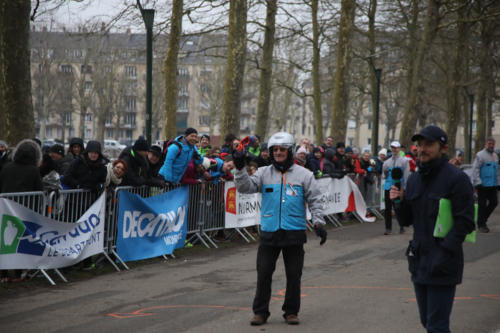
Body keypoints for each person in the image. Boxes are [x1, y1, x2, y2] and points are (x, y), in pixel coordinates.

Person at [232, 131, 327, 326]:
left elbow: (315, 200)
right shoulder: (263, 173)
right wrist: (240, 168)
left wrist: (319, 222)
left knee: (294, 275)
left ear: (290, 151)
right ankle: (260, 312)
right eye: (274, 150)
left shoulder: (305, 175)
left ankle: (291, 312)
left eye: (282, 149)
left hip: (294, 232)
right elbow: (244, 188)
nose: (277, 153)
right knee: (264, 273)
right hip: (269, 232)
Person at [390, 125, 475, 333]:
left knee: (436, 326)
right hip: (419, 260)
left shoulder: (456, 179)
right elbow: (407, 220)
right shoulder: (415, 179)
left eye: (429, 144)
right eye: (420, 145)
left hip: (443, 263)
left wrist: (445, 251)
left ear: (443, 148)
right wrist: (398, 202)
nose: (422, 149)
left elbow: (465, 222)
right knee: (427, 322)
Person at [0, 139, 43, 282]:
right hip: (24, 209)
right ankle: (18, 272)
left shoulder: (6, 167)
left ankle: (4, 273)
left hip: (6, 208)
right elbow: (39, 191)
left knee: (5, 242)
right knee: (19, 241)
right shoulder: (34, 170)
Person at [472, 137, 499, 233]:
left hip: (492, 185)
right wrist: (478, 182)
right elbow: (475, 169)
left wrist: (498, 183)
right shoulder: (480, 155)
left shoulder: (495, 156)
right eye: (489, 144)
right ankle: (481, 225)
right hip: (482, 185)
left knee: (494, 202)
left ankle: (483, 220)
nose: (491, 145)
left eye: (492, 144)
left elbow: (496, 172)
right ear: (486, 144)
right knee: (482, 205)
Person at [382, 141, 410, 235]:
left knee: (398, 207)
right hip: (388, 187)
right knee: (388, 208)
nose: (394, 149)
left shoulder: (404, 161)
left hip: (398, 187)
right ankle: (388, 228)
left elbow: (406, 175)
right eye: (392, 147)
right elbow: (384, 173)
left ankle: (401, 226)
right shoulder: (386, 162)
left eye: (396, 147)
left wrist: (404, 188)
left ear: (399, 149)